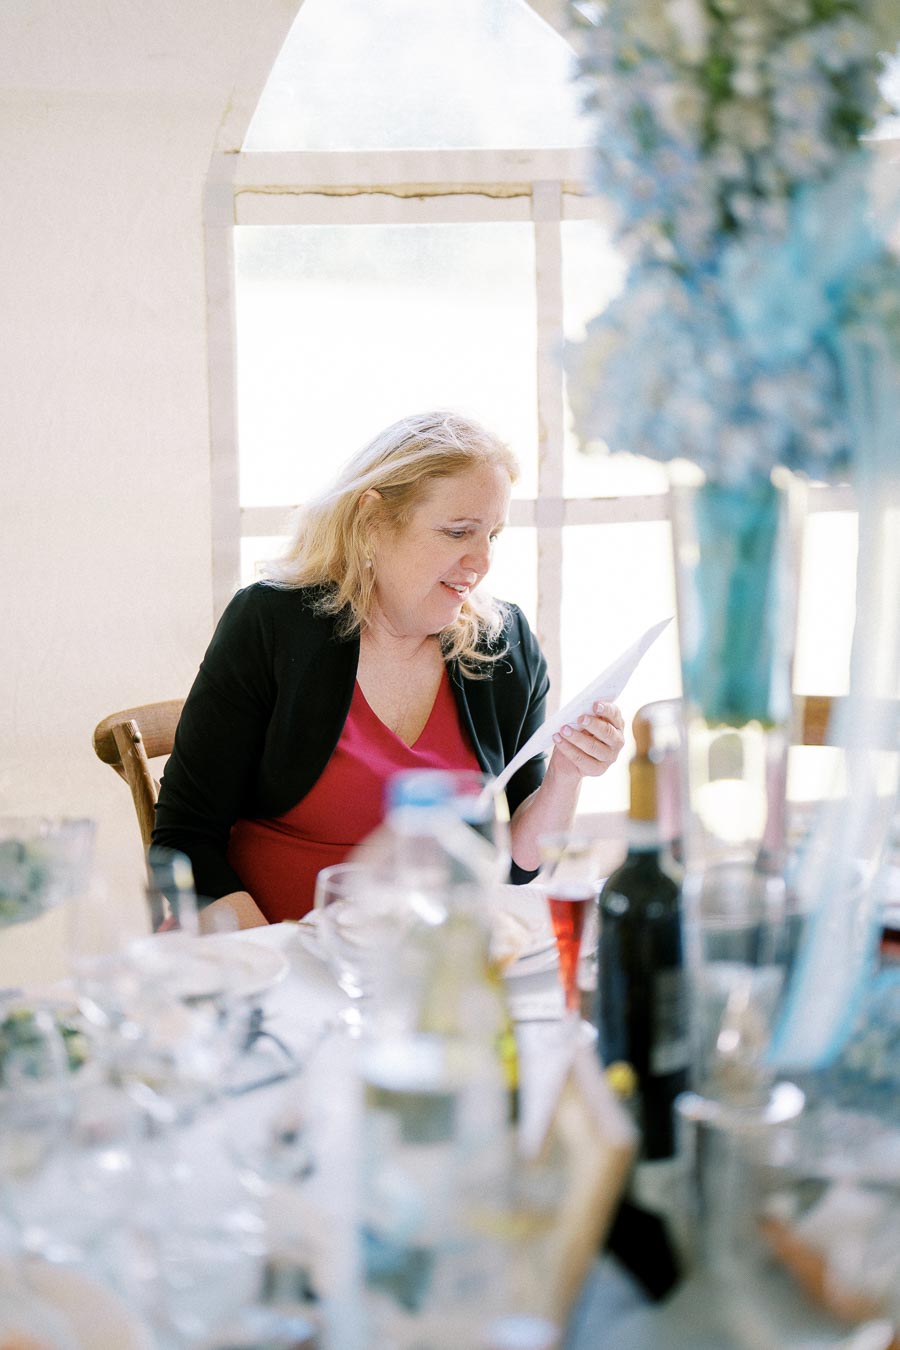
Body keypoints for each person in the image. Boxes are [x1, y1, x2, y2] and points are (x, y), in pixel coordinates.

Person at [153, 411, 625, 932]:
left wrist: (567, 774)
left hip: (431, 966)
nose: (483, 559)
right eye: (457, 532)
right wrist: (271, 961)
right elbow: (184, 839)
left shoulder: (502, 644)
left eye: (493, 534)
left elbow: (516, 867)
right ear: (373, 521)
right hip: (266, 956)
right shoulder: (272, 622)